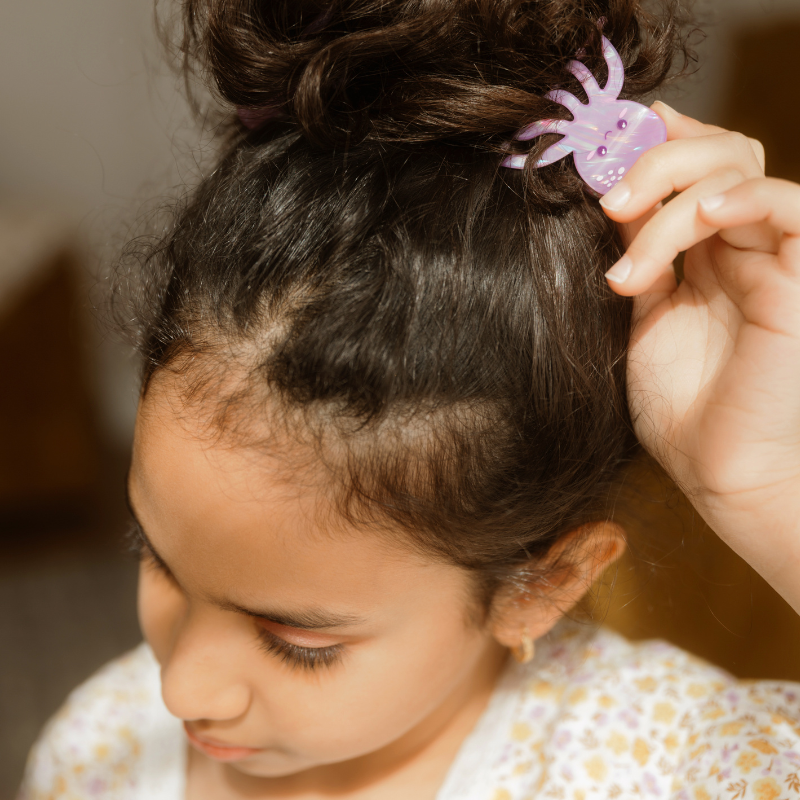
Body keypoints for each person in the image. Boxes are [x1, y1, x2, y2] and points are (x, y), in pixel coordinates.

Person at [17, 0, 800, 798]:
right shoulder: (99, 749)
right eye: (157, 556)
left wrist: (769, 490)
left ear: (544, 585)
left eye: (297, 643)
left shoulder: (661, 767)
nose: (181, 687)